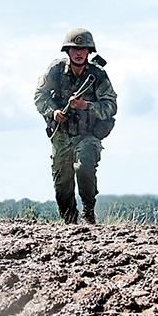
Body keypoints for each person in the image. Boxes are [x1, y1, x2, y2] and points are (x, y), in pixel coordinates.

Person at [33, 28, 117, 226]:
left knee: (84, 166)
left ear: (89, 52)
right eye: (74, 49)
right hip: (61, 134)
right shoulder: (55, 70)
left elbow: (111, 106)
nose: (79, 53)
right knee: (62, 183)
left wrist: (86, 106)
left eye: (83, 49)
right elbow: (39, 96)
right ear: (67, 51)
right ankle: (70, 222)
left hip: (87, 134)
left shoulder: (97, 76)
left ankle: (88, 212)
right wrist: (53, 111)